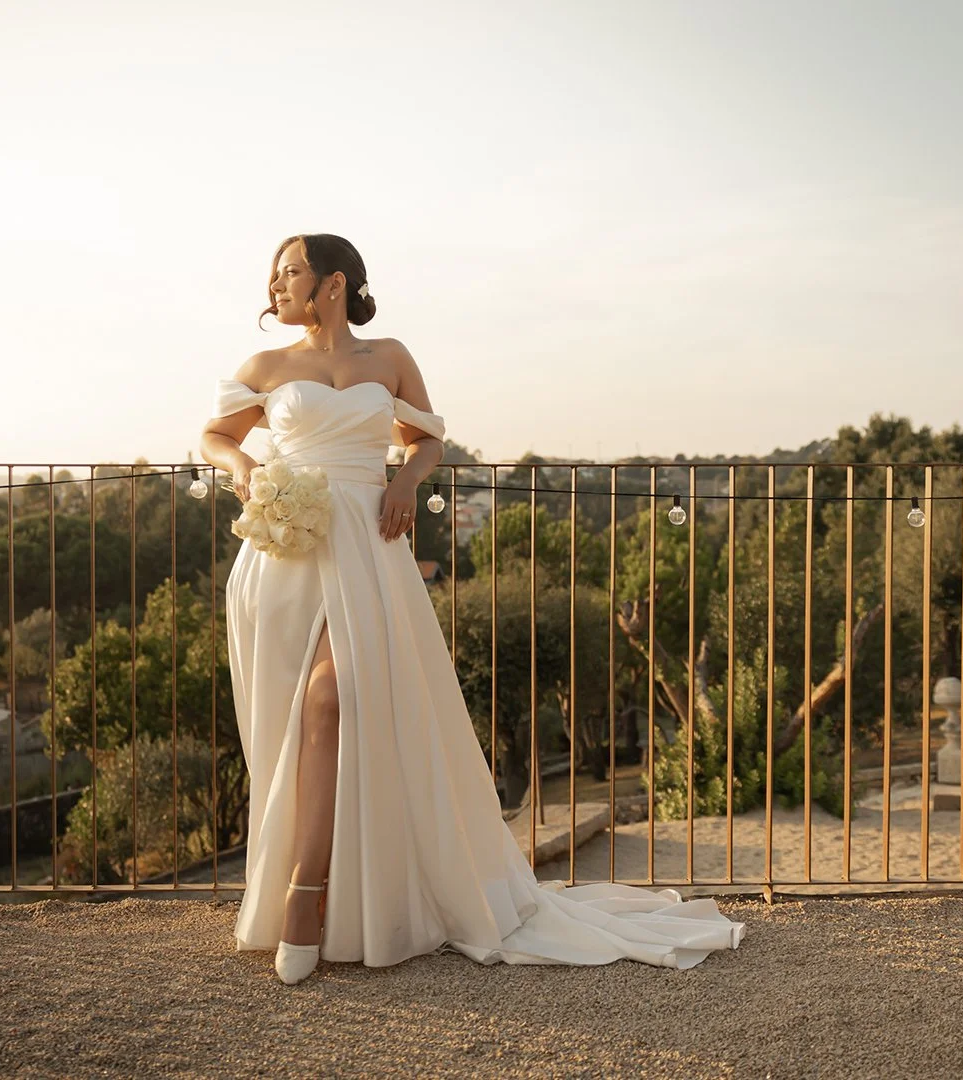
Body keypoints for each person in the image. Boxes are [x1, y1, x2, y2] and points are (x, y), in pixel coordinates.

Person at [199, 233, 745, 985]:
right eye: (274, 274)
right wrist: (247, 469)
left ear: (333, 282)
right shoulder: (265, 366)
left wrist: (402, 484)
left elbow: (424, 441)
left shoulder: (388, 357)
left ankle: (308, 896)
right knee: (293, 719)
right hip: (285, 553)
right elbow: (215, 435)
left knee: (334, 698)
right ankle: (317, 892)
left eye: (289, 272)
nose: (275, 285)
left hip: (370, 544)